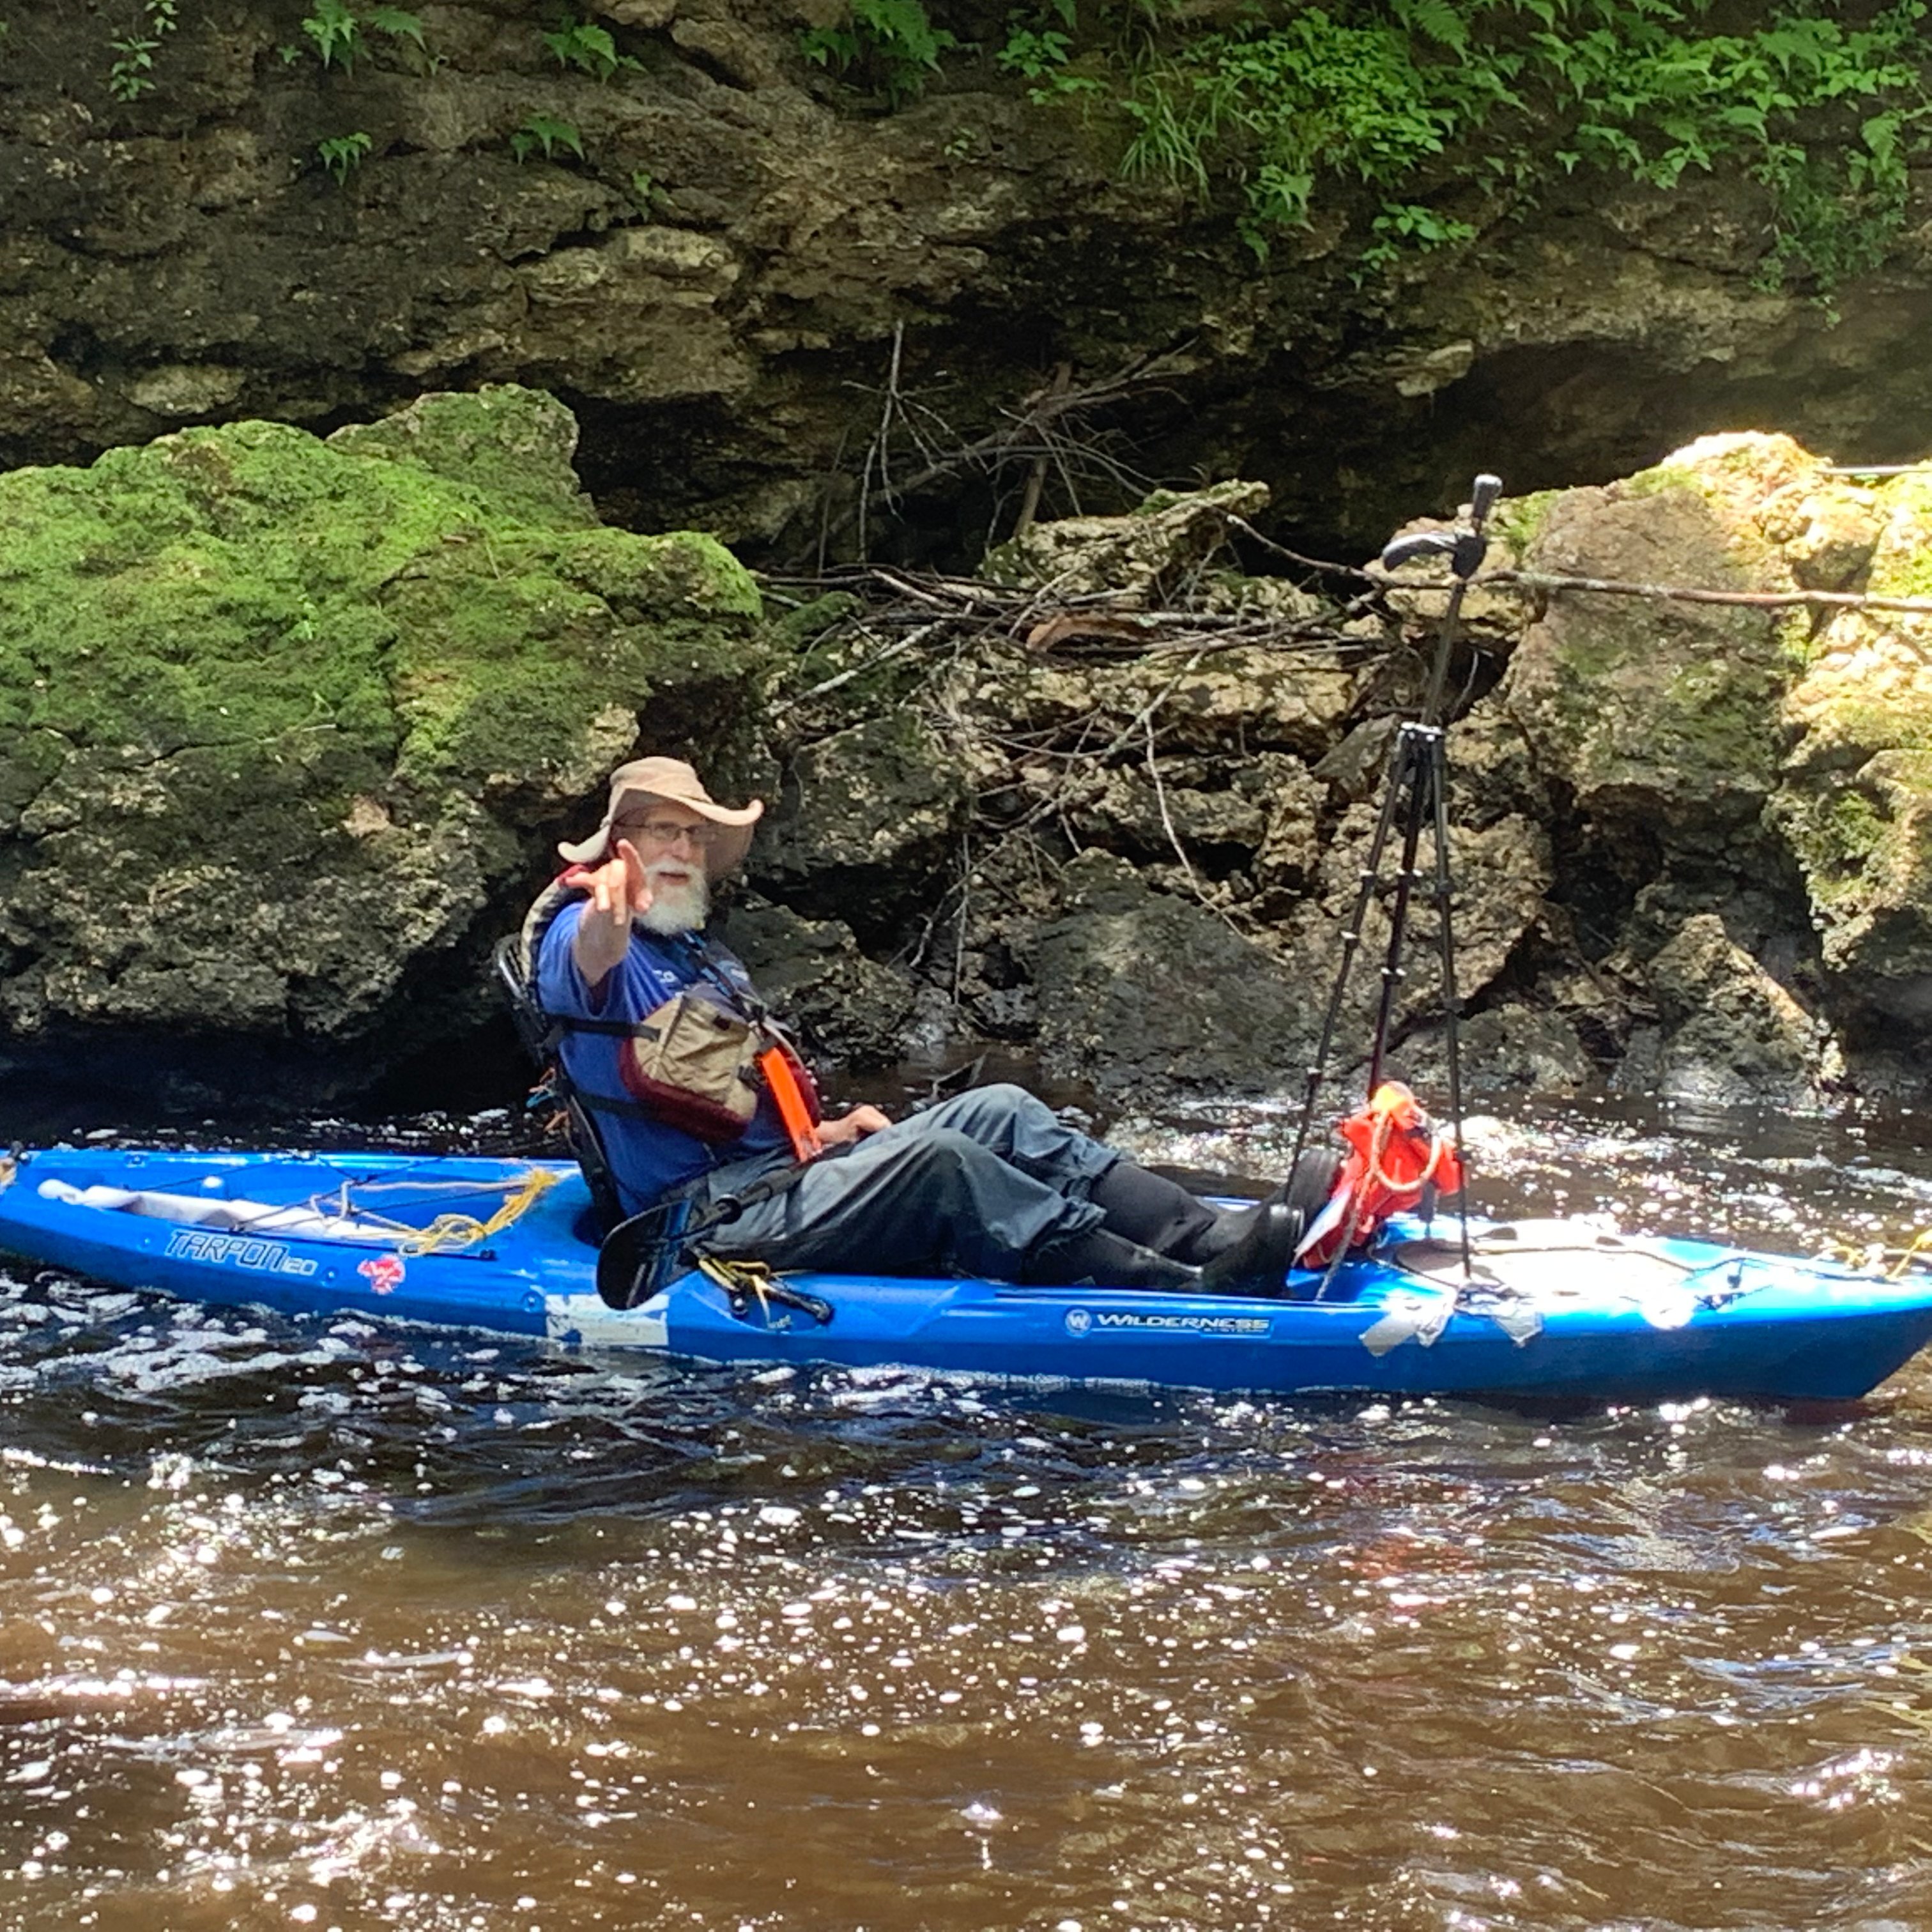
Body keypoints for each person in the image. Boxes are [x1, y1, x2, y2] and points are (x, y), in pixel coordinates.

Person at [519, 756, 1330, 1302]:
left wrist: (826, 1132)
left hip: (775, 1179)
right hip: (701, 1222)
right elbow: (593, 959)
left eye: (695, 835)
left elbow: (731, 1090)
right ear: (623, 845)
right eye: (666, 832)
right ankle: (1181, 1290)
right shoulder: (586, 940)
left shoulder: (698, 953)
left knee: (1001, 1108)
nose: (686, 849)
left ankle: (1211, 1233)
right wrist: (607, 913)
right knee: (940, 1161)